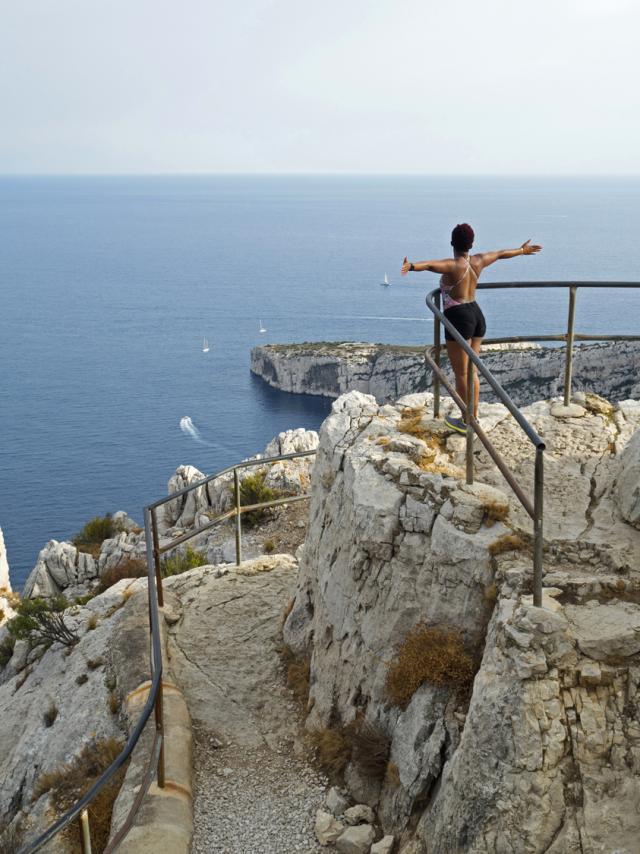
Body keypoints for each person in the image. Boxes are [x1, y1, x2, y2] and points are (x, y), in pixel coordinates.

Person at [401, 223, 542, 434]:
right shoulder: (479, 260)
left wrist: (411, 266)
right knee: (472, 370)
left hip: (458, 317)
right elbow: (501, 254)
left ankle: (467, 421)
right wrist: (522, 250)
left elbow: (430, 265)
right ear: (472, 243)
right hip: (476, 314)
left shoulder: (452, 265)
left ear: (452, 243)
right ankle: (473, 417)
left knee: (461, 374)